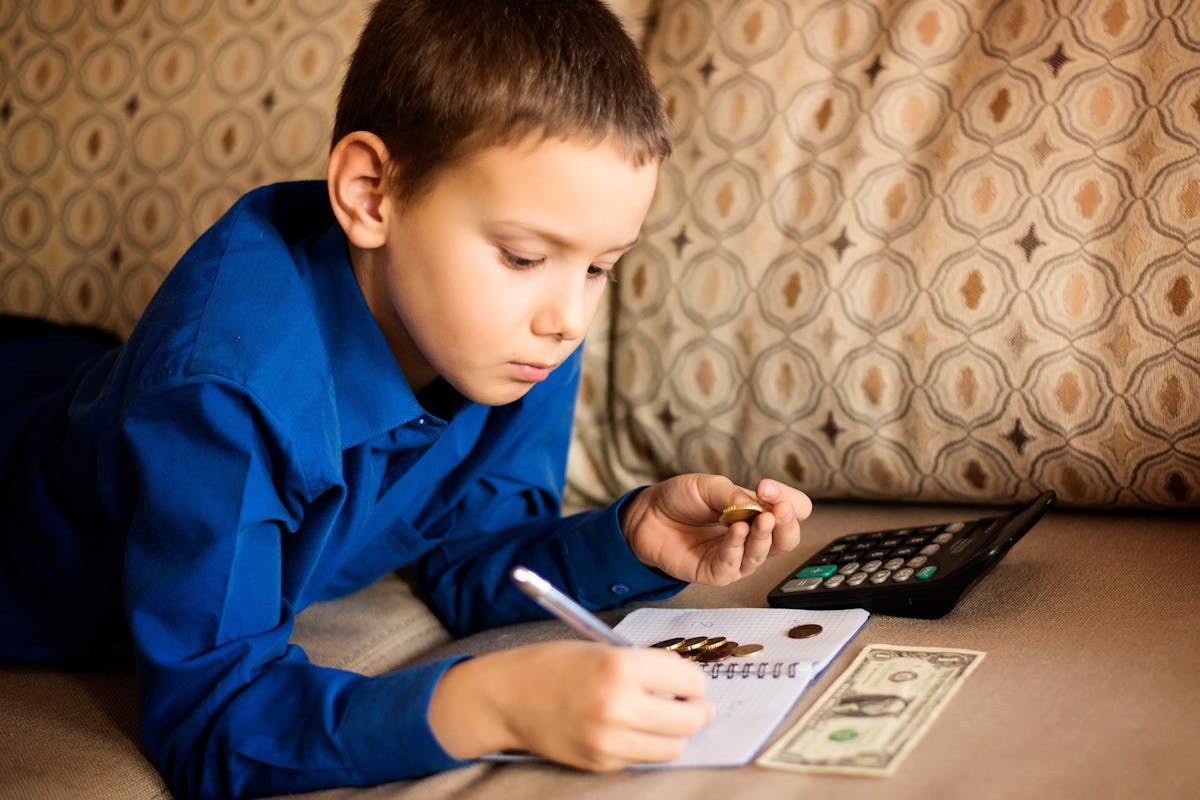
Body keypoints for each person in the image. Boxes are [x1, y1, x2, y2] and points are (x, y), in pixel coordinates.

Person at [0, 1, 812, 797]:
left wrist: (629, 540)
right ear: (369, 193)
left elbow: (471, 562)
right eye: (525, 256)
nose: (568, 318)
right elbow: (210, 716)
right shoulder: (221, 396)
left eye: (600, 267)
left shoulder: (519, 340)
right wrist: (489, 704)